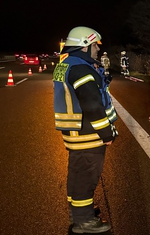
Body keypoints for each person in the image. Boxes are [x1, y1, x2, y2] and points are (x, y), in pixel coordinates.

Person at [53, 26, 118, 233]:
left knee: (77, 173)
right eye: (94, 45)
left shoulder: (67, 64)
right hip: (88, 134)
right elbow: (92, 104)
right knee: (86, 177)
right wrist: (106, 133)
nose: (97, 50)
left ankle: (79, 211)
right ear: (84, 45)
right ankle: (84, 222)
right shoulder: (81, 69)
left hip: (75, 132)